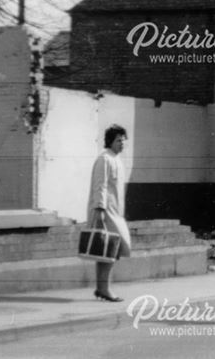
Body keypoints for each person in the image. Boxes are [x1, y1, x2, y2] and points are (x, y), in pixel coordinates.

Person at [88, 124, 132, 301]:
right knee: (110, 249)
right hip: (105, 212)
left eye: (123, 140)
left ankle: (101, 289)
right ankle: (104, 289)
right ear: (110, 141)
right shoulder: (104, 159)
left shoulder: (116, 160)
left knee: (108, 250)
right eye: (118, 140)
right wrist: (99, 209)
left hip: (115, 211)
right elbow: (101, 185)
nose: (122, 144)